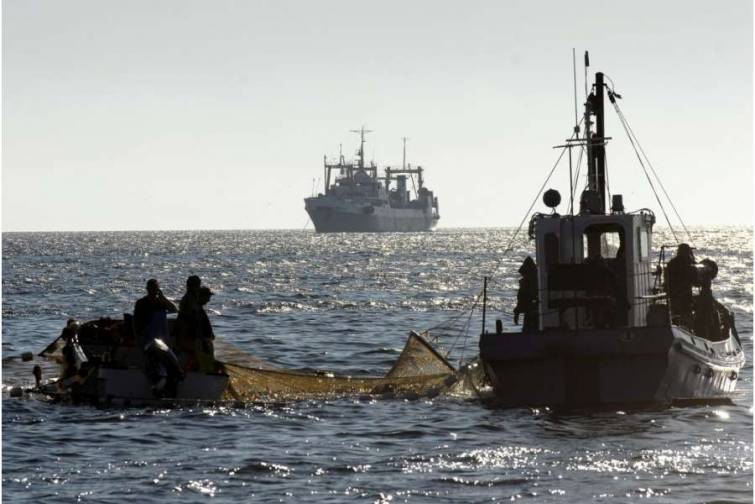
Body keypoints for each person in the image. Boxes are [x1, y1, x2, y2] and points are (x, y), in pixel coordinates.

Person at [133, 279, 177, 347]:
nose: (153, 290)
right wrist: (137, 337)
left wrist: (163, 298)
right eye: (151, 288)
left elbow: (174, 309)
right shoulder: (141, 303)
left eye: (155, 288)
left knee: (160, 314)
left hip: (160, 334)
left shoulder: (160, 302)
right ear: (147, 289)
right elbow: (135, 322)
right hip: (147, 334)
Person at [665, 243, 697, 328]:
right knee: (686, 315)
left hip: (673, 295)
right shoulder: (688, 264)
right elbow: (695, 279)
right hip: (684, 295)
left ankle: (676, 327)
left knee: (675, 315)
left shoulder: (671, 263)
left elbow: (667, 280)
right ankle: (688, 329)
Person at [194, 286, 217, 373]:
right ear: (201, 296)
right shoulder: (197, 310)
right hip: (203, 342)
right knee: (206, 366)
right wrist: (204, 342)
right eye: (207, 297)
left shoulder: (199, 309)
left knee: (207, 365)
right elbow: (198, 327)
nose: (208, 300)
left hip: (204, 341)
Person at [513, 256, 539, 333]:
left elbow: (521, 299)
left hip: (531, 312)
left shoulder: (527, 283)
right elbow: (521, 299)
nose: (523, 276)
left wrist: (517, 313)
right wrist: (517, 312)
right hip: (532, 310)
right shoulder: (537, 280)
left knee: (528, 331)